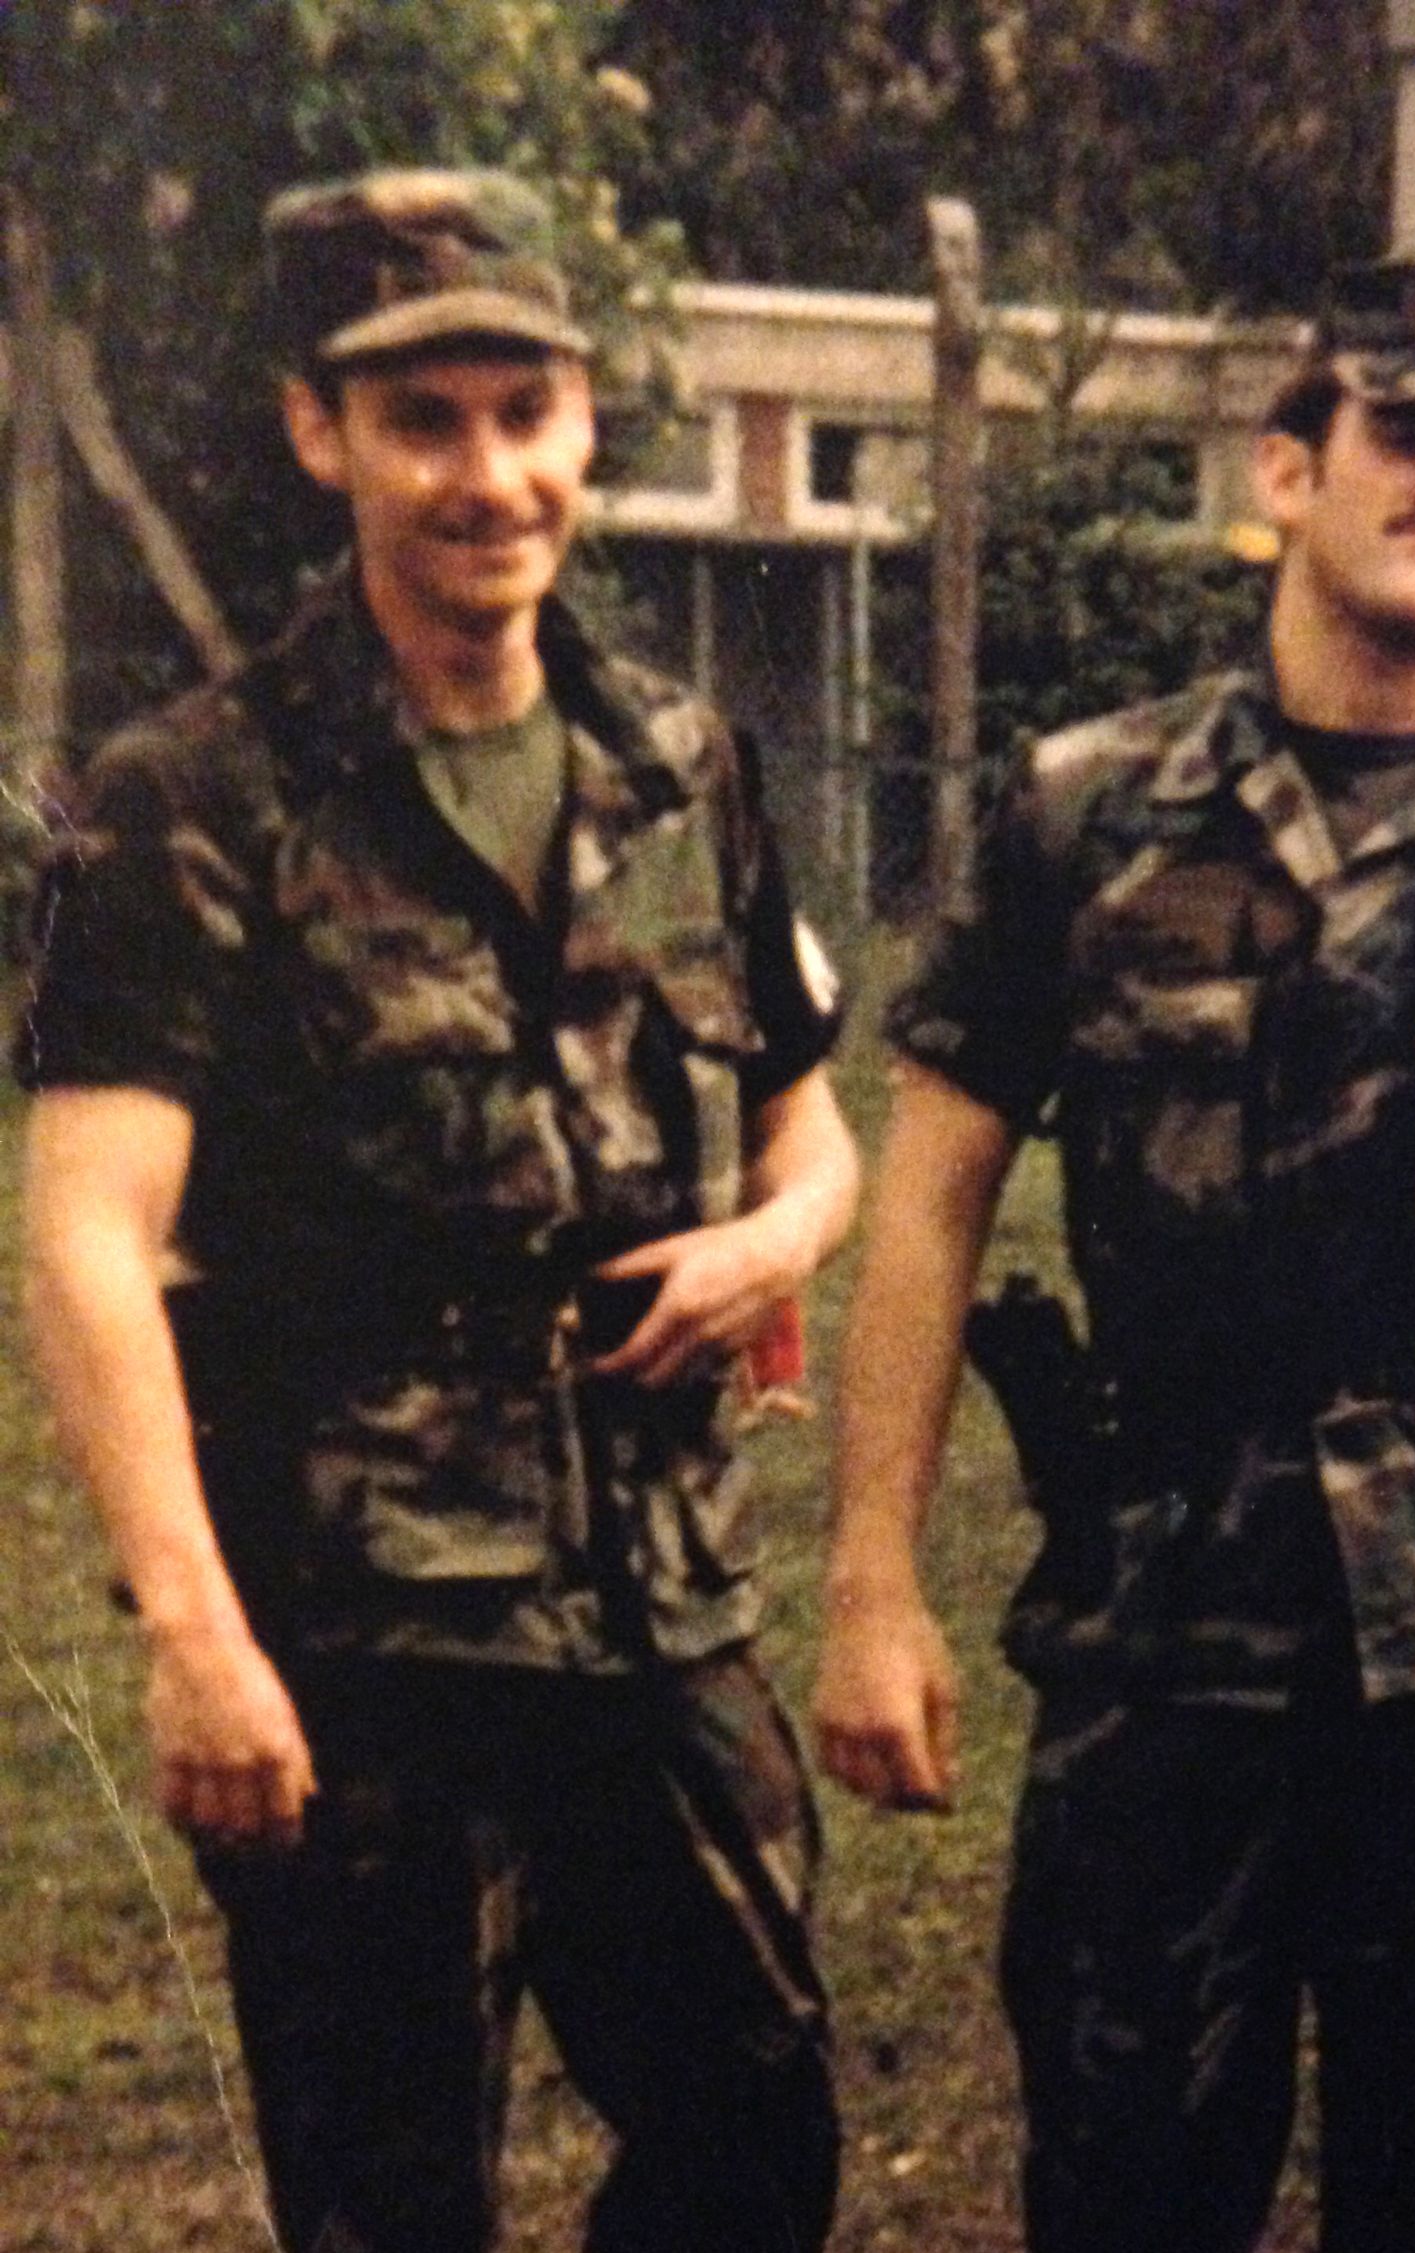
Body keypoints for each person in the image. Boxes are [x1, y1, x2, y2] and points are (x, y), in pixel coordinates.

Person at [812, 252, 1415, 2253]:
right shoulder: (1087, 812)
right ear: (1286, 470)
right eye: (1404, 435)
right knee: (1128, 2184)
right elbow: (928, 1191)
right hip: (1166, 1628)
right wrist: (871, 1580)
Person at [18, 168, 858, 2253]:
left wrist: (772, 1247)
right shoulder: (195, 797)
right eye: (424, 421)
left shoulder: (683, 762)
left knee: (759, 2137)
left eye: (524, 412)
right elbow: (91, 1232)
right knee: (391, 2206)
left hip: (658, 1607)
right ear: (322, 433)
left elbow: (814, 1131)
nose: (489, 477)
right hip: (363, 1642)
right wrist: (197, 1639)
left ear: (586, 422)